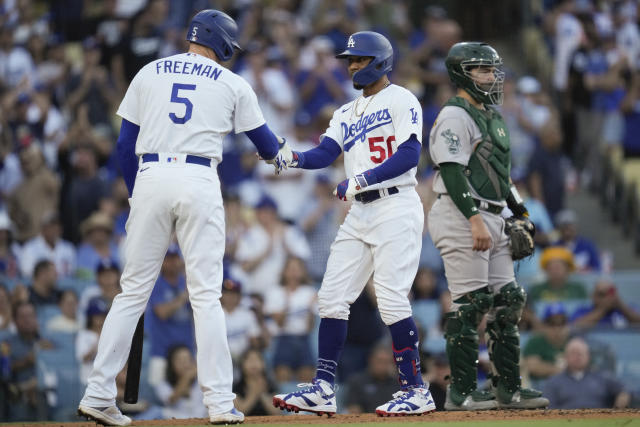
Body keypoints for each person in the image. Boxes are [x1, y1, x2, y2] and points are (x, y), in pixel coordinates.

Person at [77, 9, 285, 426]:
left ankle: (99, 393)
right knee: (206, 296)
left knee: (131, 293)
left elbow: (123, 147)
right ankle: (220, 403)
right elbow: (266, 146)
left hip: (151, 173)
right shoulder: (231, 82)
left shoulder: (149, 71)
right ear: (220, 40)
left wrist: (139, 196)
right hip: (197, 176)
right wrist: (282, 153)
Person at [270, 31, 436, 416]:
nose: (353, 66)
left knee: (392, 298)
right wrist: (291, 158)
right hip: (360, 212)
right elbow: (326, 153)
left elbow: (410, 153)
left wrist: (361, 179)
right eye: (350, 60)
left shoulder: (402, 98)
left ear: (379, 61)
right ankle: (323, 388)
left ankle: (416, 390)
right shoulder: (345, 111)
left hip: (395, 205)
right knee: (330, 298)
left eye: (359, 59)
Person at [427, 42, 548, 411]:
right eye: (482, 70)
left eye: (493, 69)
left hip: (493, 214)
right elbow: (451, 170)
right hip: (463, 214)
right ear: (462, 73)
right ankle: (460, 392)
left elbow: (500, 173)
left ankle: (507, 388)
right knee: (471, 304)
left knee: (508, 300)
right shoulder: (454, 114)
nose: (492, 76)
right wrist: (475, 219)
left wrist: (520, 212)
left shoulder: (491, 115)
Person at [543, 337, 630, 409]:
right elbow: (549, 409)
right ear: (566, 357)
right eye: (574, 353)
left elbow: (624, 391)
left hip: (599, 422)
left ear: (588, 356)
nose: (578, 357)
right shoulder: (554, 382)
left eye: (581, 353)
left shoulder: (602, 377)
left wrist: (617, 412)